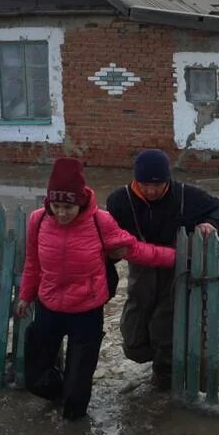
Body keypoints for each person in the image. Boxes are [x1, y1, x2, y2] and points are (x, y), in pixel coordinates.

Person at [16, 157, 176, 420]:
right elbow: (33, 262)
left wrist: (175, 258)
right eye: (56, 206)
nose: (62, 213)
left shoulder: (100, 222)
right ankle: (59, 394)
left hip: (86, 313)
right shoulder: (38, 220)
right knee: (35, 378)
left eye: (68, 207)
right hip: (48, 308)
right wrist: (25, 295)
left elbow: (135, 249)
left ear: (80, 201)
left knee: (77, 399)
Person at [106, 149, 219, 391]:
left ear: (168, 180)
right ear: (136, 180)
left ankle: (166, 379)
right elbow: (106, 235)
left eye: (159, 185)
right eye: (145, 185)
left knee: (164, 325)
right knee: (134, 331)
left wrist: (211, 223)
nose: (152, 191)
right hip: (141, 270)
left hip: (177, 271)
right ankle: (151, 360)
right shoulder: (119, 200)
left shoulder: (186, 195)